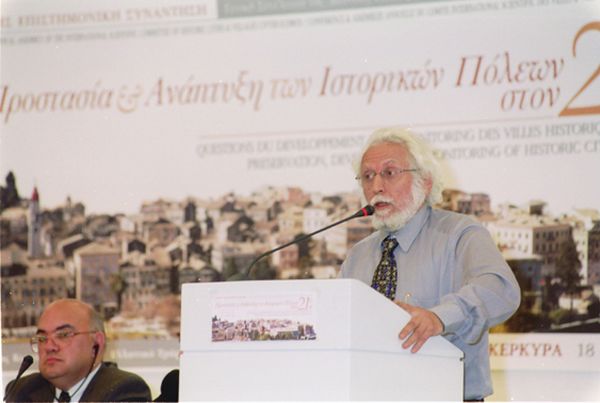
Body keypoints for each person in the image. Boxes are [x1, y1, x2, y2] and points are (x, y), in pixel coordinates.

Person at [339, 127, 520, 401]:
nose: (376, 187)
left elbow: (500, 289)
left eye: (389, 172)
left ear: (424, 182)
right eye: (368, 176)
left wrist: (438, 318)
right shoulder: (358, 256)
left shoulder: (460, 234)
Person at [4, 298, 152, 402]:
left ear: (97, 343)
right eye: (42, 338)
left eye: (63, 335)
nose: (49, 347)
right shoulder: (22, 390)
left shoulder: (125, 389)